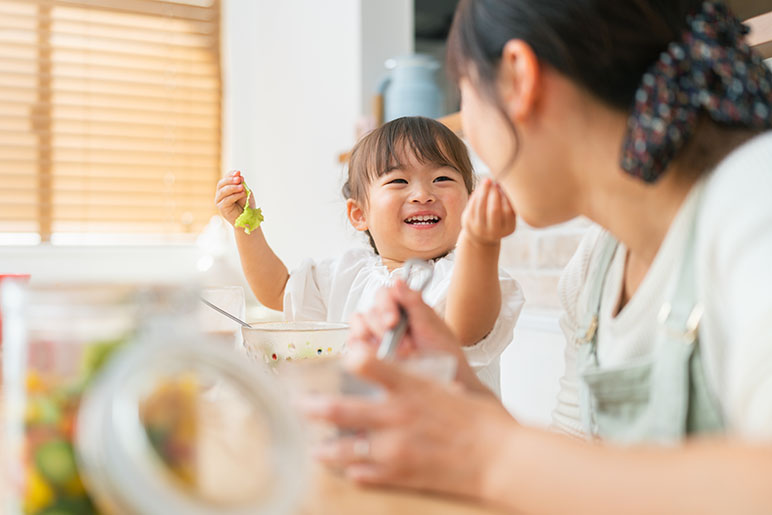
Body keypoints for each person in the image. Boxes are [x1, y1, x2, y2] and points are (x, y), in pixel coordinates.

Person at [301, 0, 772, 512]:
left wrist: (484, 451)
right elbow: (578, 472)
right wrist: (465, 405)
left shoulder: (754, 197)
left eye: (465, 97)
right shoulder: (592, 270)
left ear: (518, 79)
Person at [214, 116, 524, 394]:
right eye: (399, 181)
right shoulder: (345, 274)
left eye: (442, 179)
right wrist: (246, 227)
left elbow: (464, 331)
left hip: (446, 451)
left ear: (469, 201)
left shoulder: (468, 277)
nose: (422, 194)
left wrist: (481, 243)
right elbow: (278, 291)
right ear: (360, 214)